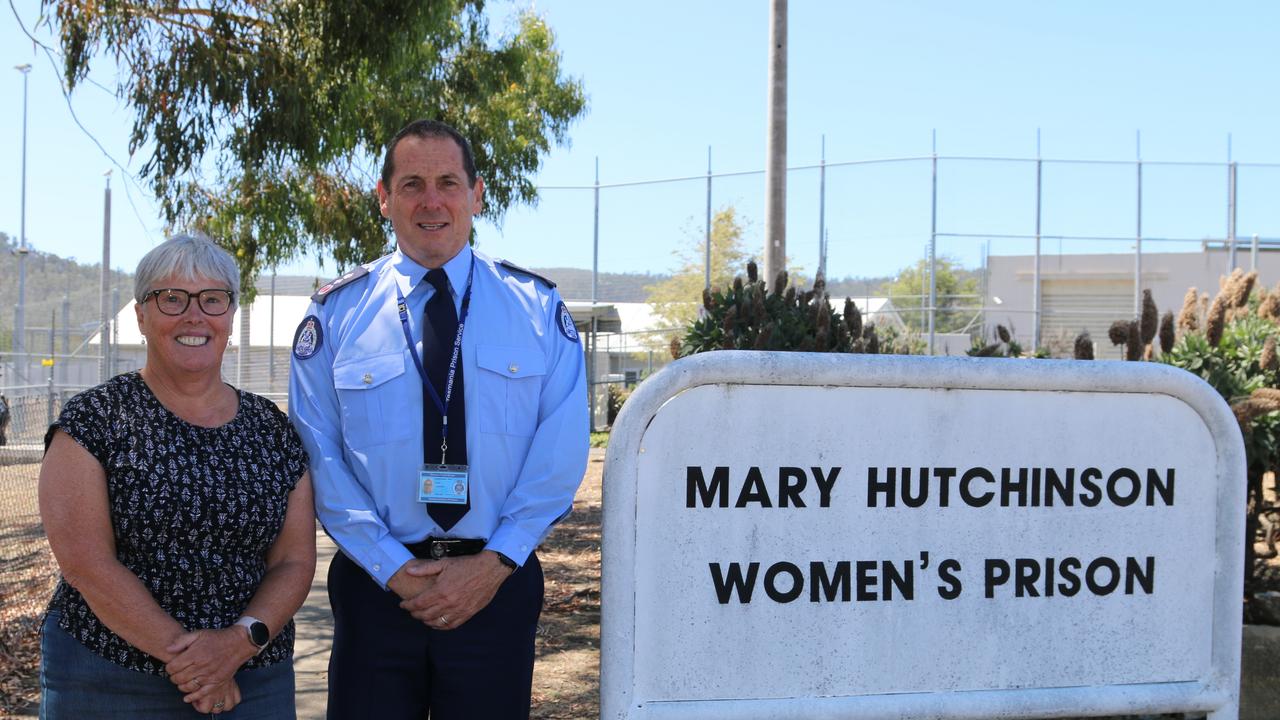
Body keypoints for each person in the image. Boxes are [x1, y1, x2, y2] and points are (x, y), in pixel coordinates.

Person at [289, 119, 589, 719]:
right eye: (412, 184)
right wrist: (392, 568)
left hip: (496, 586)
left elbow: (560, 450)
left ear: (477, 195)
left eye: (449, 182)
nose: (432, 201)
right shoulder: (337, 314)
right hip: (378, 590)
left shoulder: (534, 308)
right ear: (384, 197)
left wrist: (495, 562)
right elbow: (317, 453)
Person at [38, 234, 316, 718]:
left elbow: (294, 561)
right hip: (108, 679)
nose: (195, 315)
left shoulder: (271, 428)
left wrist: (235, 645)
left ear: (230, 315)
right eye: (172, 298)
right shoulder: (94, 421)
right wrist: (194, 662)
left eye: (213, 299)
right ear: (141, 316)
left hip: (254, 677)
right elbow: (86, 564)